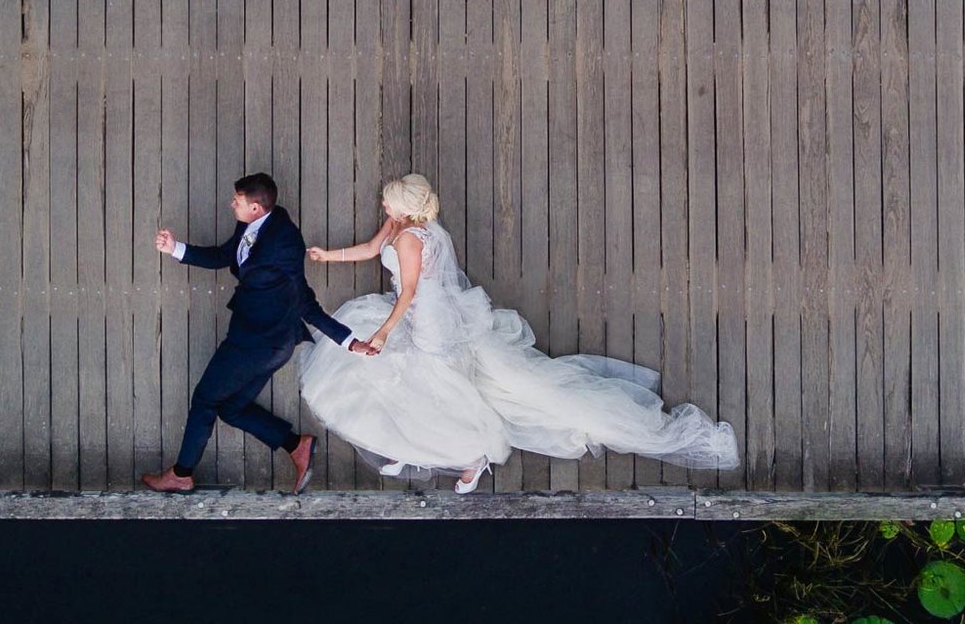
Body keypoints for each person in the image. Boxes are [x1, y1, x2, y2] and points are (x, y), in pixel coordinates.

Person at [298, 174, 739, 493]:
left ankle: (471, 457)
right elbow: (374, 249)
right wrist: (328, 255)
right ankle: (409, 442)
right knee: (403, 380)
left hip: (428, 319)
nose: (383, 207)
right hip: (417, 314)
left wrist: (383, 331)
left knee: (430, 383)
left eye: (387, 203)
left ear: (405, 207)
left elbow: (410, 290)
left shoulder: (414, 239)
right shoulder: (398, 227)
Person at [141, 172, 377, 495]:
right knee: (232, 407)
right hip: (256, 336)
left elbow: (305, 302)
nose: (231, 204)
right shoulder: (253, 223)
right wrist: (175, 249)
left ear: (255, 208)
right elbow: (226, 255)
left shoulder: (285, 244)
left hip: (261, 341)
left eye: (236, 201)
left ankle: (181, 474)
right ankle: (296, 445)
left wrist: (349, 342)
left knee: (206, 398)